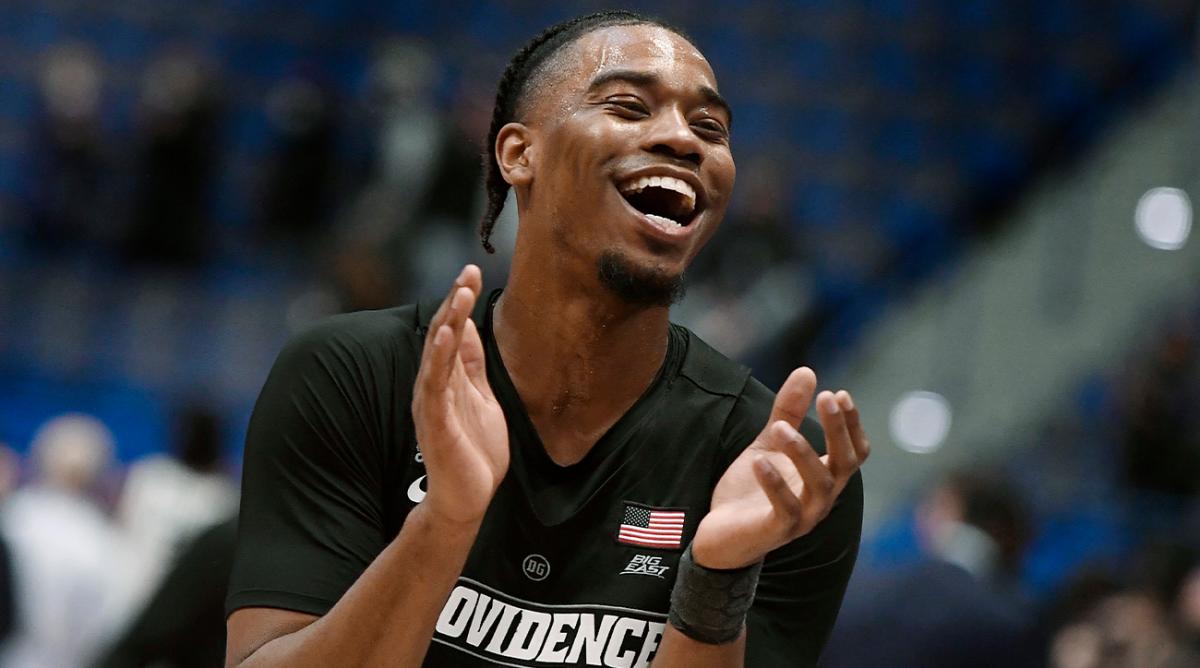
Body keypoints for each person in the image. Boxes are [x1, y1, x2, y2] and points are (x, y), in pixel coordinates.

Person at [226, 11, 868, 667]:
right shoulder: (354, 376)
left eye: (711, 128)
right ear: (517, 154)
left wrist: (716, 582)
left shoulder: (772, 464)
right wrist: (445, 523)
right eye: (628, 106)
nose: (683, 139)